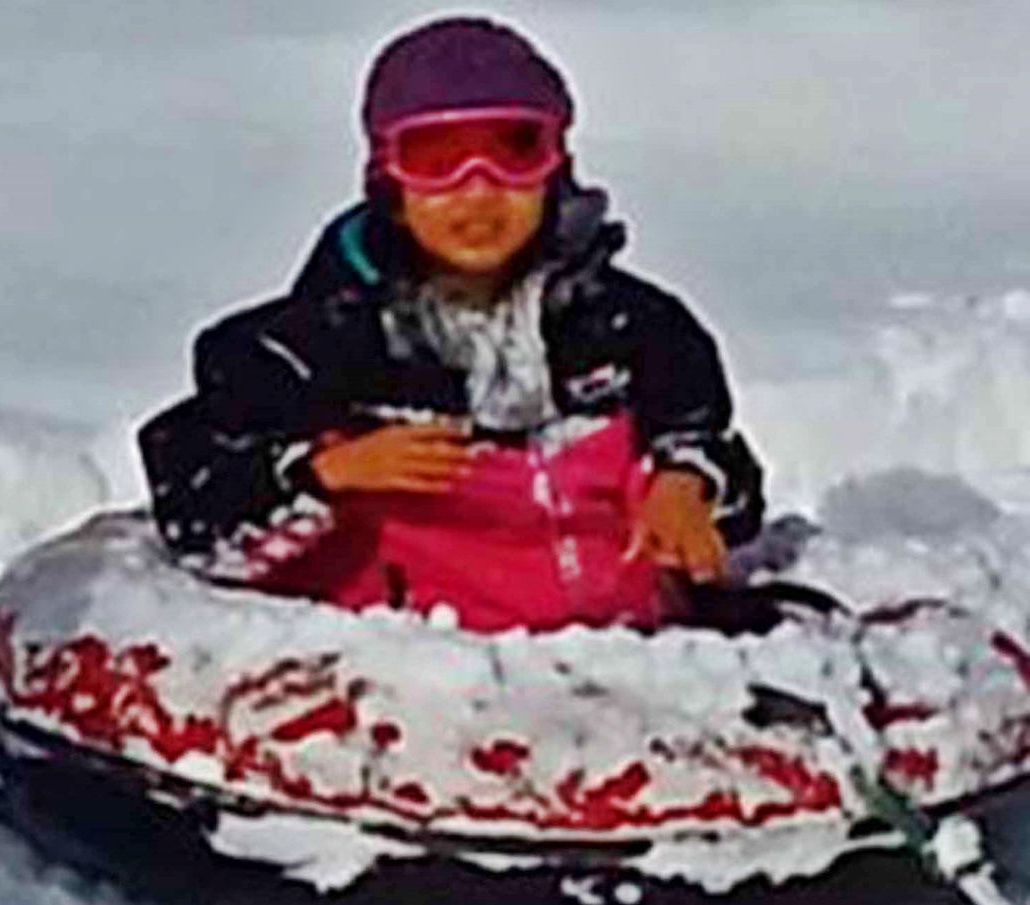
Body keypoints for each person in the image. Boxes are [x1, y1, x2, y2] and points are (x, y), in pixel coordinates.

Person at [141, 16, 765, 634]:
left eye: (515, 150)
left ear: (557, 165)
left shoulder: (639, 331)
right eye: (436, 160)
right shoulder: (302, 350)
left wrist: (687, 486)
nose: (478, 193)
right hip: (399, 680)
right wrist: (325, 474)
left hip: (614, 667)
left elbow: (717, 458)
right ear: (388, 178)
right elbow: (198, 514)